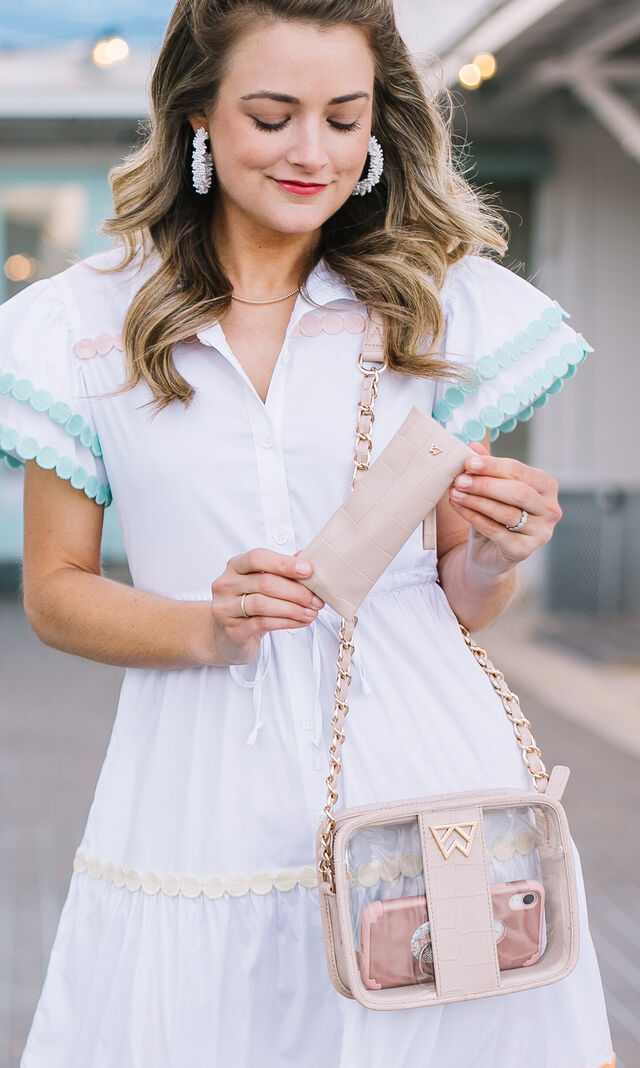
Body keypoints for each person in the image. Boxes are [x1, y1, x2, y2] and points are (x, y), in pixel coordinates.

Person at [1, 0, 614, 1065]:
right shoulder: (81, 324)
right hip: (199, 778)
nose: (311, 152)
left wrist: (495, 553)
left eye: (343, 117)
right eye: (273, 114)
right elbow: (55, 590)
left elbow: (457, 597)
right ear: (198, 114)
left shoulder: (435, 308)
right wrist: (210, 624)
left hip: (425, 759)